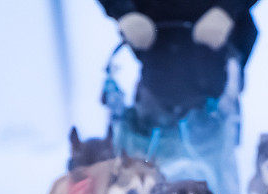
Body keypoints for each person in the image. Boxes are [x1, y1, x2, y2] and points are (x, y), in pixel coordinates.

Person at [98, 0, 259, 124]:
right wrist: (124, 12)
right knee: (149, 144)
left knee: (215, 137)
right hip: (154, 52)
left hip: (218, 58)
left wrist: (227, 10)